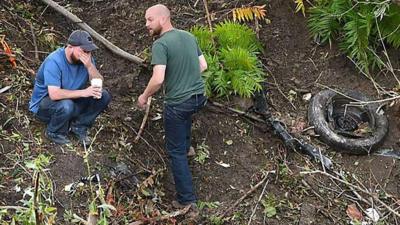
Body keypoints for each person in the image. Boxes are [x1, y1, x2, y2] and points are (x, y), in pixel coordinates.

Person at [137, 4, 207, 215]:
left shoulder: (161, 44)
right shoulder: (188, 36)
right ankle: (188, 148)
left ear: (163, 19)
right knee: (184, 117)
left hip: (178, 102)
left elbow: (158, 79)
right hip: (198, 97)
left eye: (150, 20)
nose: (146, 24)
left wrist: (144, 96)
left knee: (174, 152)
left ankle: (187, 201)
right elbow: (203, 66)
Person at [29, 30, 111, 145]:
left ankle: (79, 126)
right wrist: (84, 92)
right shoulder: (54, 61)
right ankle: (54, 132)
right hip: (46, 106)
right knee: (67, 105)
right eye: (83, 50)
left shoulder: (87, 60)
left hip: (72, 102)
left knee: (103, 95)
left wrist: (89, 66)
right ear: (70, 47)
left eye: (89, 51)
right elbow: (54, 94)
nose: (86, 54)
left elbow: (99, 82)